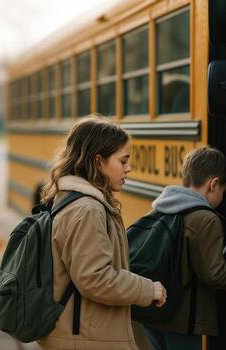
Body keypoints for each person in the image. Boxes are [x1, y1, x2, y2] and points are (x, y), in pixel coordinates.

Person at [37, 115, 167, 350]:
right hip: (87, 339)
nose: (129, 168)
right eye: (123, 160)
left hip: (83, 335)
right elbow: (94, 278)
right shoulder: (87, 209)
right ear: (98, 161)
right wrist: (149, 289)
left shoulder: (74, 201)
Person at [143, 146, 226, 350]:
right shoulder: (205, 218)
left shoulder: (163, 206)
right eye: (223, 190)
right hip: (182, 320)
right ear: (214, 184)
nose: (222, 197)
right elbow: (215, 274)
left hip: (154, 312)